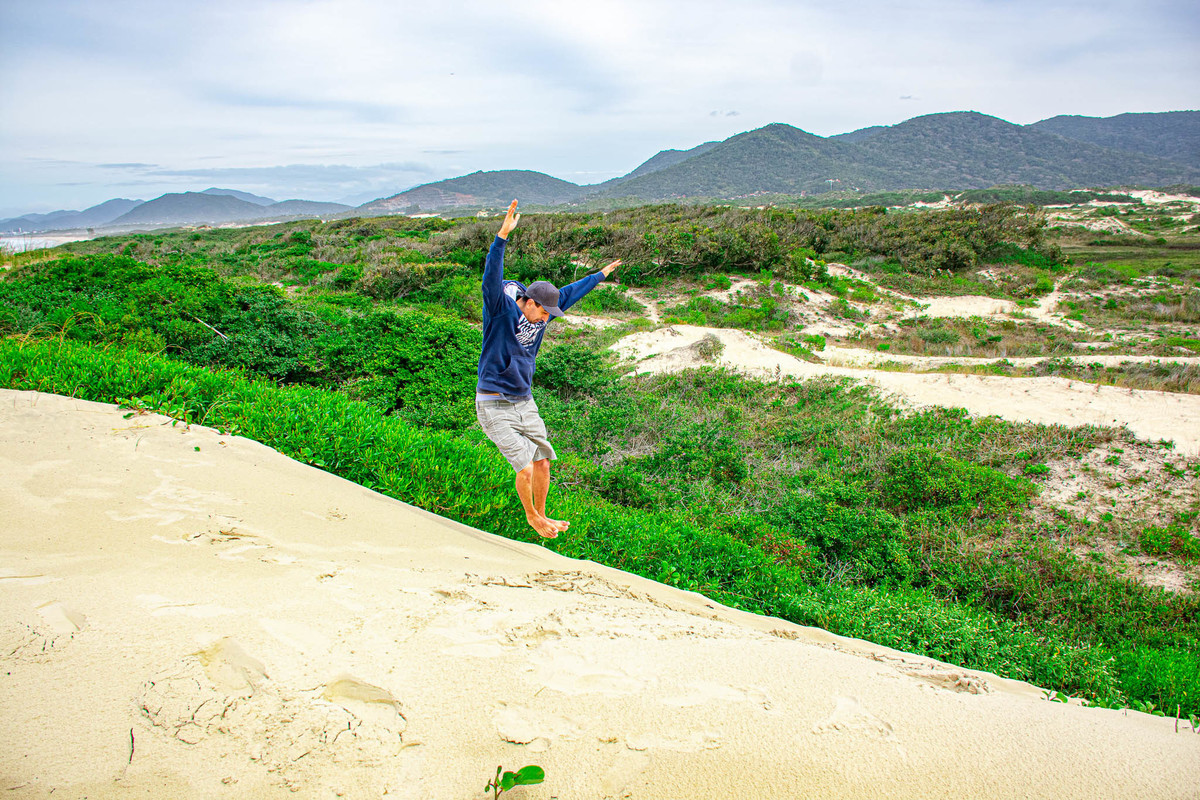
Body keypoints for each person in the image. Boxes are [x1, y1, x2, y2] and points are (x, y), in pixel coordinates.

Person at [475, 199, 620, 539]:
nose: (545, 320)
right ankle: (532, 518)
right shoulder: (500, 311)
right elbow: (491, 278)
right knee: (525, 466)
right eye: (543, 313)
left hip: (523, 401)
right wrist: (502, 236)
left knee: (542, 461)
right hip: (493, 404)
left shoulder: (544, 311)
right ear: (529, 302)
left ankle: (542, 513)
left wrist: (600, 275)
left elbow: (572, 292)